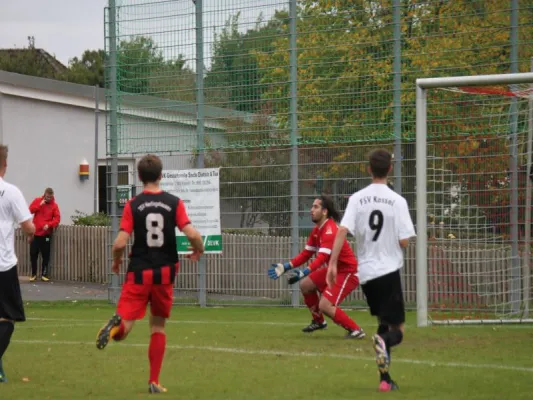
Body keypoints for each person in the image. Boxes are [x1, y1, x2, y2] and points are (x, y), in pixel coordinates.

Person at [95, 154, 205, 394]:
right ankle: (154, 381)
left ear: (139, 177)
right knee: (158, 326)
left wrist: (116, 262)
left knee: (125, 327)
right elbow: (193, 234)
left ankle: (115, 327)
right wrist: (199, 249)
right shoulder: (173, 202)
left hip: (139, 272)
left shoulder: (133, 205)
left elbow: (120, 243)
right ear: (161, 175)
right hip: (165, 273)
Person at [328, 148, 416, 392]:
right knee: (396, 331)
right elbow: (404, 241)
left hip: (366, 274)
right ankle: (383, 343)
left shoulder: (357, 198)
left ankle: (385, 379)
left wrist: (333, 263)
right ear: (389, 169)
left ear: (369, 169)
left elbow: (343, 230)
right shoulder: (398, 201)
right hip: (388, 271)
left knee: (383, 322)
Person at [268, 195, 365, 339]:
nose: (311, 210)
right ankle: (319, 322)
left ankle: (356, 330)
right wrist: (285, 266)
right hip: (335, 269)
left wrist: (303, 272)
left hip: (348, 272)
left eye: (315, 207)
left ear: (324, 211)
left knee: (325, 305)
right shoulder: (317, 229)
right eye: (312, 206)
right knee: (306, 285)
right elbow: (307, 253)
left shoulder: (330, 230)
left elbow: (321, 259)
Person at [0, 145, 36, 383]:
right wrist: (30, 231)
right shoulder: (10, 192)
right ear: (5, 164)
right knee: (7, 317)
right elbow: (29, 226)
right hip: (3, 265)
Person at [29, 187, 60, 281]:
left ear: (52, 196)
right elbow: (30, 210)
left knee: (46, 255)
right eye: (47, 197)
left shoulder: (54, 205)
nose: (48, 199)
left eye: (50, 197)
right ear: (44, 195)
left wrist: (49, 225)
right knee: (33, 254)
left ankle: (44, 274)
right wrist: (39, 205)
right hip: (35, 233)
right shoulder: (38, 200)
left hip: (46, 235)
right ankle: (33, 274)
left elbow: (57, 219)